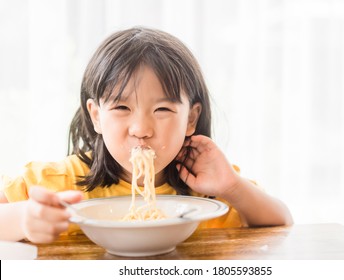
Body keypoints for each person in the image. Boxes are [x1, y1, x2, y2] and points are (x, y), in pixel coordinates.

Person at [0, 26, 293, 244]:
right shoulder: (59, 182)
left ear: (191, 118)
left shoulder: (208, 188)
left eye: (163, 109)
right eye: (122, 107)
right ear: (96, 116)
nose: (141, 129)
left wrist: (232, 187)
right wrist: (24, 218)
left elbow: (281, 222)